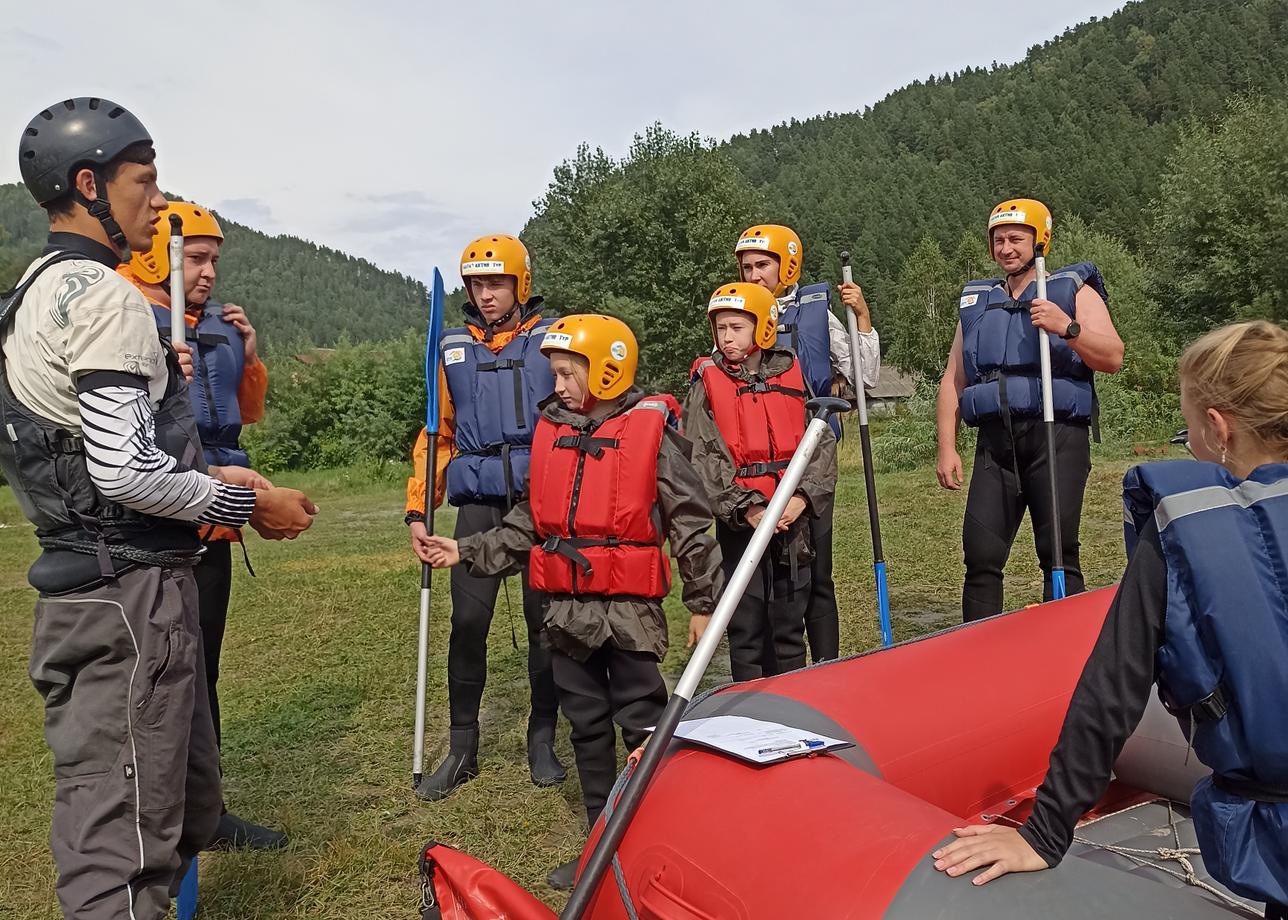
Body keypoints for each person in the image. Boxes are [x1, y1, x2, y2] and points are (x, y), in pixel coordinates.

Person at [2, 97, 315, 920]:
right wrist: (245, 504)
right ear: (87, 184)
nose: (156, 200)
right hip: (127, 598)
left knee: (178, 804)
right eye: (144, 181)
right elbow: (127, 472)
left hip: (96, 586)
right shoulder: (104, 300)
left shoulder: (27, 295)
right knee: (123, 853)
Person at [931, 320, 1288, 917]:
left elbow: (1112, 688)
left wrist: (1043, 834)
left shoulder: (1182, 531)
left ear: (1219, 428)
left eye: (1189, 425)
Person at [421, 314, 722, 889]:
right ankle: (600, 843)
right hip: (566, 609)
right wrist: (465, 552)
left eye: (566, 374)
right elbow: (530, 521)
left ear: (607, 371)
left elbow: (689, 523)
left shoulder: (652, 430)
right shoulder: (552, 430)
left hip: (629, 611)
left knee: (641, 723)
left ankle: (659, 837)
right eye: (555, 374)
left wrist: (703, 602)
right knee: (584, 723)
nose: (556, 386)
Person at [119, 200, 285, 849]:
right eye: (196, 257)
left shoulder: (213, 326)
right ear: (158, 252)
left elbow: (246, 413)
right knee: (161, 678)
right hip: (158, 526)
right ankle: (151, 818)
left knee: (202, 667)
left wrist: (248, 353)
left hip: (214, 522)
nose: (209, 270)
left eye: (214, 258)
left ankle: (204, 811)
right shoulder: (127, 320)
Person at [405, 234, 565, 801]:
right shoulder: (452, 349)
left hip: (537, 500)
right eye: (476, 283)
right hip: (476, 499)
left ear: (520, 284)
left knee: (544, 619)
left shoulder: (552, 342)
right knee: (468, 623)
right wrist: (418, 510)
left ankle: (541, 737)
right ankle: (462, 746)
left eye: (496, 282)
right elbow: (436, 436)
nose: (485, 293)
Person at [936, 199, 1124, 621]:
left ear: (1040, 241)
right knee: (980, 555)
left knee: (1057, 551)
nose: (1006, 248)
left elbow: (1113, 356)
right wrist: (946, 448)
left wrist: (1067, 328)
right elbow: (953, 379)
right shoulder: (977, 302)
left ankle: (1063, 648)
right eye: (998, 240)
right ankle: (978, 653)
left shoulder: (1074, 291)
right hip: (996, 444)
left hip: (1055, 437)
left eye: (1016, 239)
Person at [735, 224, 880, 661]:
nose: (754, 275)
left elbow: (864, 376)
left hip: (812, 457)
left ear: (788, 265)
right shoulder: (737, 315)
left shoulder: (817, 312)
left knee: (818, 575)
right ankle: (775, 667)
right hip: (758, 464)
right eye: (747, 268)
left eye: (763, 265)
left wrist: (865, 319)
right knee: (766, 581)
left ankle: (827, 665)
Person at [684, 282, 837, 681]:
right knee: (746, 626)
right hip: (743, 520)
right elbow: (703, 456)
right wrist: (747, 508)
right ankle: (750, 712)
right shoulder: (707, 381)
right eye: (720, 328)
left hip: (792, 517)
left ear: (764, 327)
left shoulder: (790, 370)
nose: (726, 337)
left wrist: (802, 498)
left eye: (736, 327)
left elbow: (819, 442)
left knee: (789, 623)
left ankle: (797, 700)